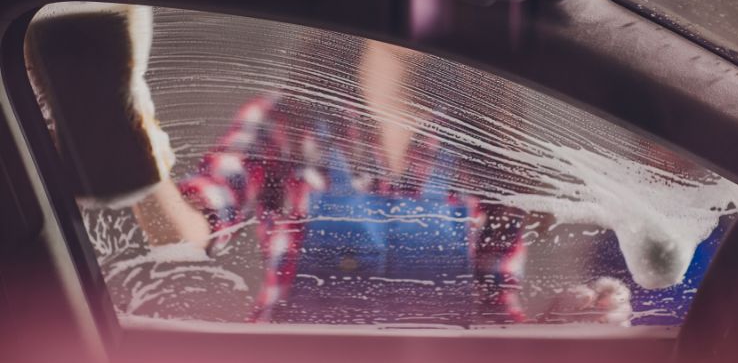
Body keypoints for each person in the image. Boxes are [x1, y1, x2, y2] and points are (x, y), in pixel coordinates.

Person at [132, 38, 631, 325]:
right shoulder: (286, 121)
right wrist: (126, 158)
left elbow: (494, 320)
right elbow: (186, 232)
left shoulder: (488, 145)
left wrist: (558, 326)